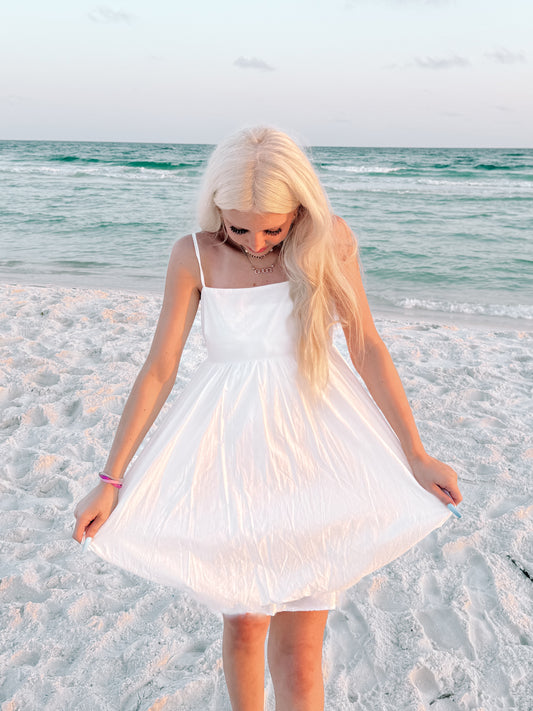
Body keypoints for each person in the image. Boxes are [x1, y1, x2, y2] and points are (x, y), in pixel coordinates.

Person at [73, 126, 462, 711]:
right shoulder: (194, 255)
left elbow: (367, 346)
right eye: (240, 227)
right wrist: (111, 480)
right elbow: (159, 368)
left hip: (316, 445)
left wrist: (415, 452)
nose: (256, 243)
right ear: (218, 211)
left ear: (299, 207)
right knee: (246, 621)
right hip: (228, 449)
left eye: (273, 229)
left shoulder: (330, 241)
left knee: (302, 649)